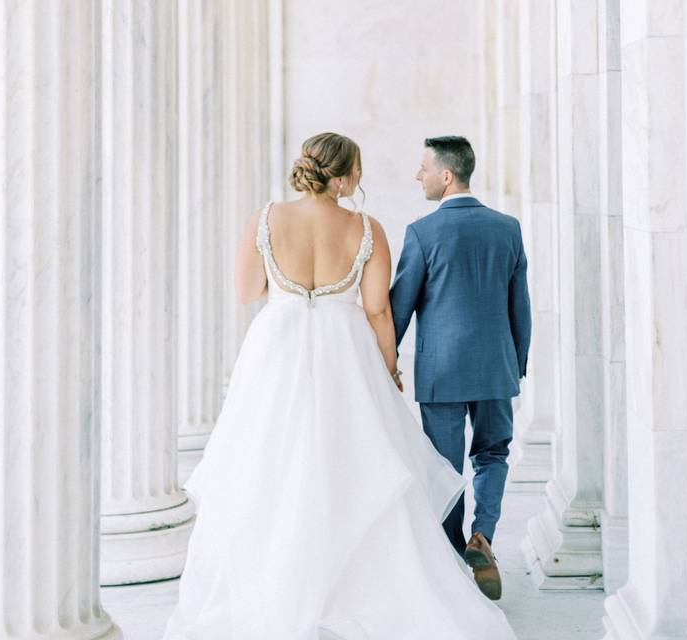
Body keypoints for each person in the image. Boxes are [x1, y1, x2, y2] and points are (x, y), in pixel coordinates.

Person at [162, 132, 517, 639]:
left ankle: (279, 581)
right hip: (345, 351)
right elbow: (377, 310)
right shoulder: (366, 228)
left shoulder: (266, 218)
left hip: (277, 350)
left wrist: (290, 291)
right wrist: (389, 369)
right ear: (346, 175)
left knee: (272, 463)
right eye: (360, 170)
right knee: (353, 463)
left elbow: (247, 291)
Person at [390, 136, 532, 601]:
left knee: (444, 466)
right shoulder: (507, 227)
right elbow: (520, 307)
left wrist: (383, 360)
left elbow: (400, 307)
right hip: (495, 367)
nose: (419, 175)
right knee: (493, 453)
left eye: (424, 167)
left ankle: (452, 558)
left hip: (442, 372)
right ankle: (483, 537)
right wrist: (518, 362)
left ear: (446, 175)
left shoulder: (422, 233)